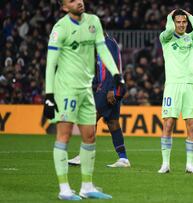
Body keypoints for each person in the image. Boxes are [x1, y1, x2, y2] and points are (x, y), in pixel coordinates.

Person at [43, 0, 124, 200]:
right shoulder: (60, 28)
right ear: (64, 7)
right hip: (67, 88)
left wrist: (115, 74)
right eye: (72, 0)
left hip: (87, 88)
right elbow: (51, 62)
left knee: (90, 136)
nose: (79, 2)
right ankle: (64, 189)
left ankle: (86, 187)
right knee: (64, 135)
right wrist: (49, 95)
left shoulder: (93, 22)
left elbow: (103, 50)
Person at [68, 33, 130, 168]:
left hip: (109, 87)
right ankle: (123, 159)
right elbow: (100, 69)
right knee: (113, 122)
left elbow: (112, 67)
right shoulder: (103, 44)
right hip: (111, 87)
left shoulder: (107, 44)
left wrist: (111, 89)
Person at [158, 9, 193, 174]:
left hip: (190, 84)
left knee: (191, 125)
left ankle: (190, 165)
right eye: (178, 22)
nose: (181, 25)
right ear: (173, 22)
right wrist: (169, 16)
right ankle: (165, 164)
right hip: (172, 85)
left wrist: (190, 15)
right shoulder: (166, 38)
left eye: (184, 22)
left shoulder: (191, 38)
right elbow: (169, 29)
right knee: (168, 123)